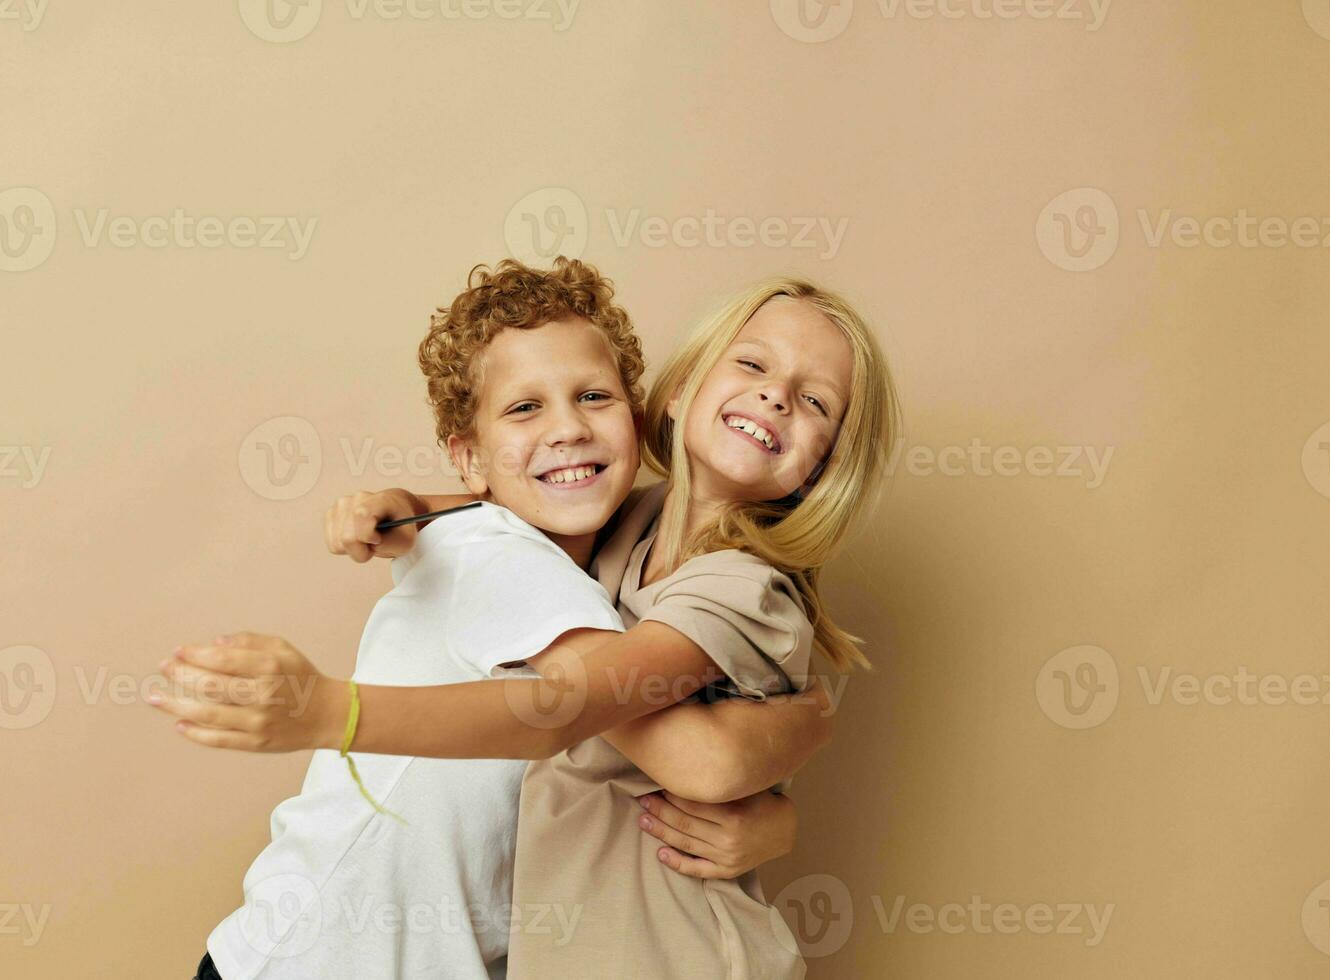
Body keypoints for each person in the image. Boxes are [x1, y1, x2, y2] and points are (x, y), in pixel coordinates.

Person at [158, 258, 832, 979]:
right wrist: (812, 720)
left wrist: (406, 502)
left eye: (594, 397)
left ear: (636, 423)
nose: (568, 427)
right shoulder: (507, 556)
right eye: (525, 407)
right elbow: (637, 731)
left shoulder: (618, 545)